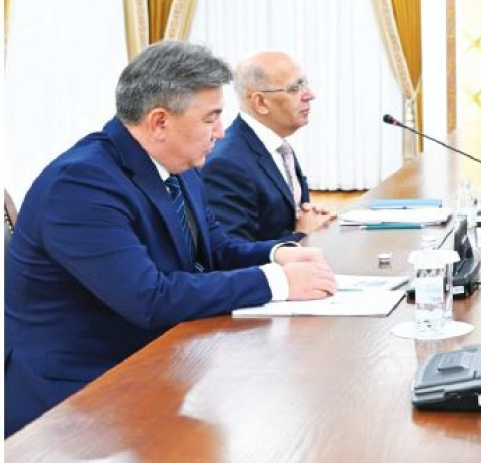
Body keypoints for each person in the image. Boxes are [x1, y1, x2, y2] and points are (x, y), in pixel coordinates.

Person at [4, 42, 338, 436]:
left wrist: (279, 254)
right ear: (160, 122)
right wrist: (277, 283)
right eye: (211, 118)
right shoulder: (81, 184)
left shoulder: (179, 165)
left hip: (155, 362)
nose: (221, 133)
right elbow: (149, 299)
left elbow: (215, 250)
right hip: (75, 401)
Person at [202, 51, 335, 242]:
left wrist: (311, 216)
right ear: (261, 102)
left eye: (305, 83)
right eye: (295, 88)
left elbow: (283, 220)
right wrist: (301, 235)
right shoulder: (226, 163)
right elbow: (232, 250)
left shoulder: (277, 145)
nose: (309, 95)